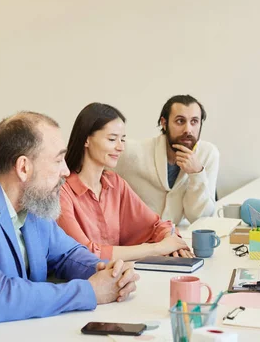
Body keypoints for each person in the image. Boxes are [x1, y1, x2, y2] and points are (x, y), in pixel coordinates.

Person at [0, 112, 140, 342]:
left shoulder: (33, 200)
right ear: (23, 168)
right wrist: (89, 292)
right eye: (58, 160)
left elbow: (68, 254)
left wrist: (108, 274)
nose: (66, 172)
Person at [58, 103, 193, 260]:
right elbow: (86, 253)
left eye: (122, 139)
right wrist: (157, 248)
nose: (120, 147)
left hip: (120, 277)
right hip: (82, 283)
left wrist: (172, 242)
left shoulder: (115, 184)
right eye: (112, 139)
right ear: (86, 140)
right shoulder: (62, 192)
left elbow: (155, 226)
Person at [116, 95, 219, 224]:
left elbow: (200, 218)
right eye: (180, 121)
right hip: (138, 238)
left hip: (179, 236)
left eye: (194, 122)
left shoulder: (208, 154)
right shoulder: (134, 152)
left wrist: (196, 173)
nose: (188, 129)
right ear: (164, 123)